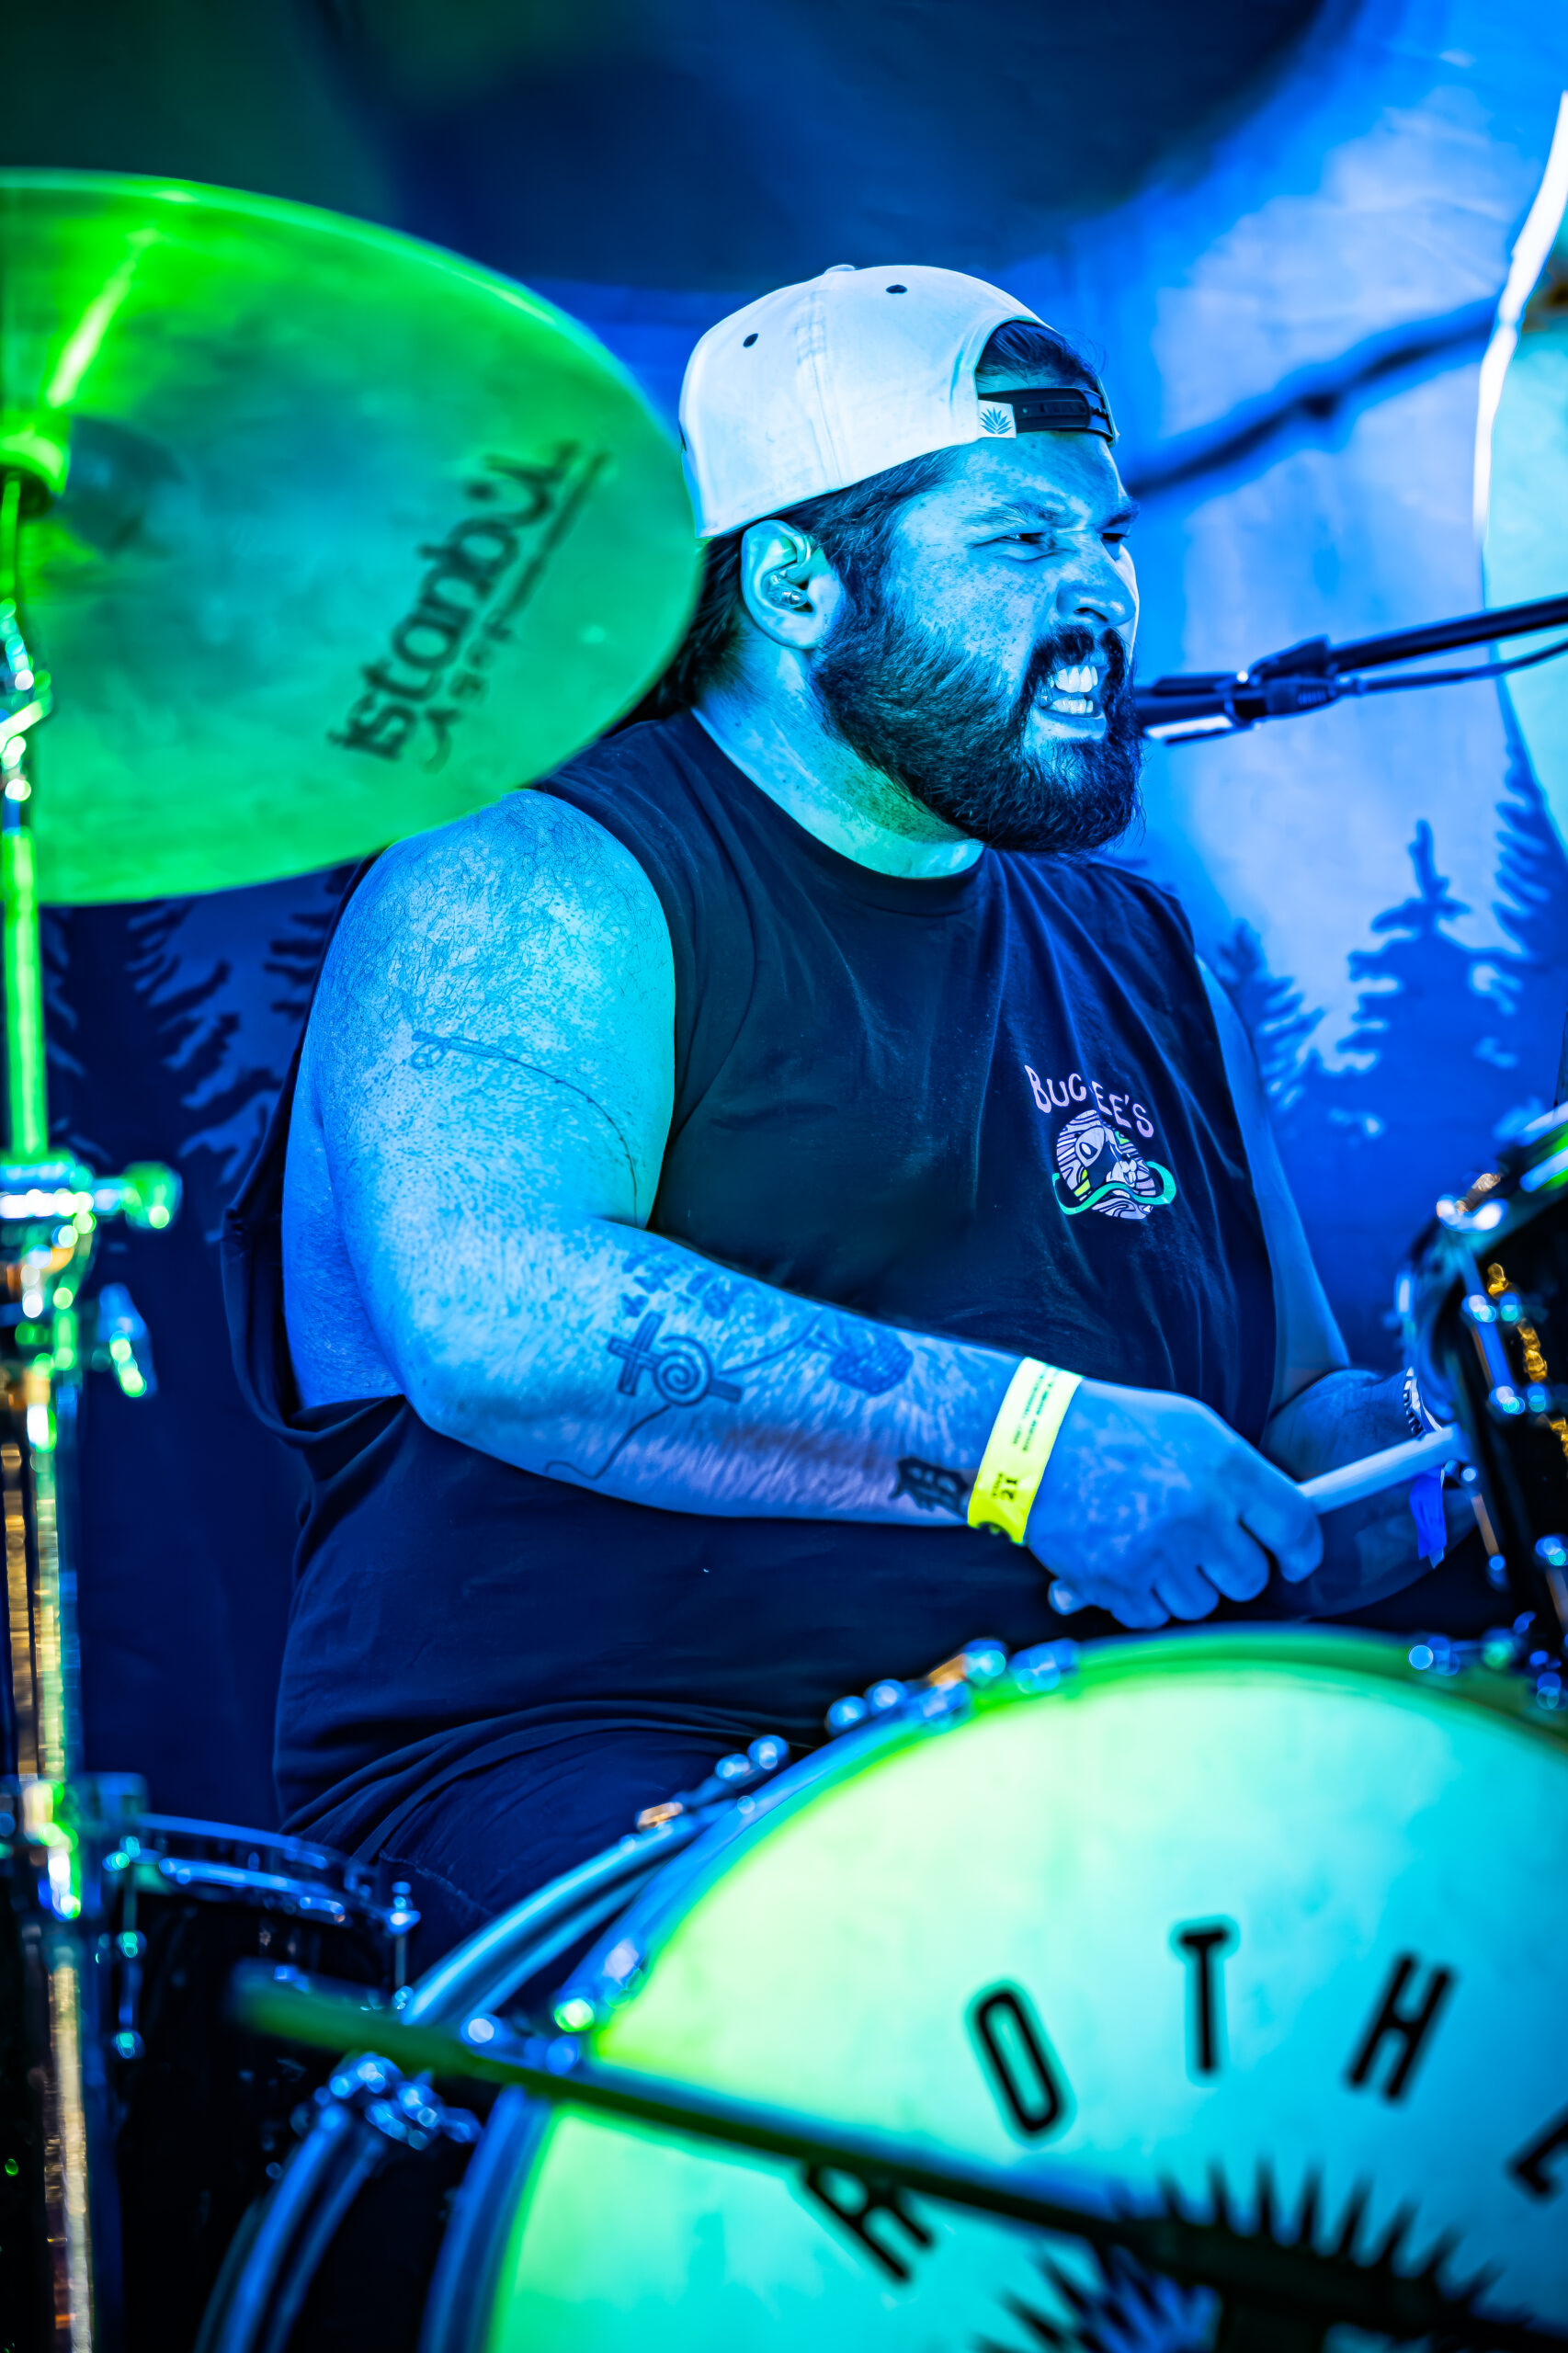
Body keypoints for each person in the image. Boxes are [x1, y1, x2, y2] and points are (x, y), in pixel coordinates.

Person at [225, 264, 1448, 1965]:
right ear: (796, 583)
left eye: (1109, 537)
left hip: (1096, 1762)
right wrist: (1030, 1451)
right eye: (1021, 542)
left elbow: (1301, 1408)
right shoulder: (532, 875)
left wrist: (1468, 1455)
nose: (1100, 594)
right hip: (599, 1778)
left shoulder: (1137, 943)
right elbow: (497, 1319)